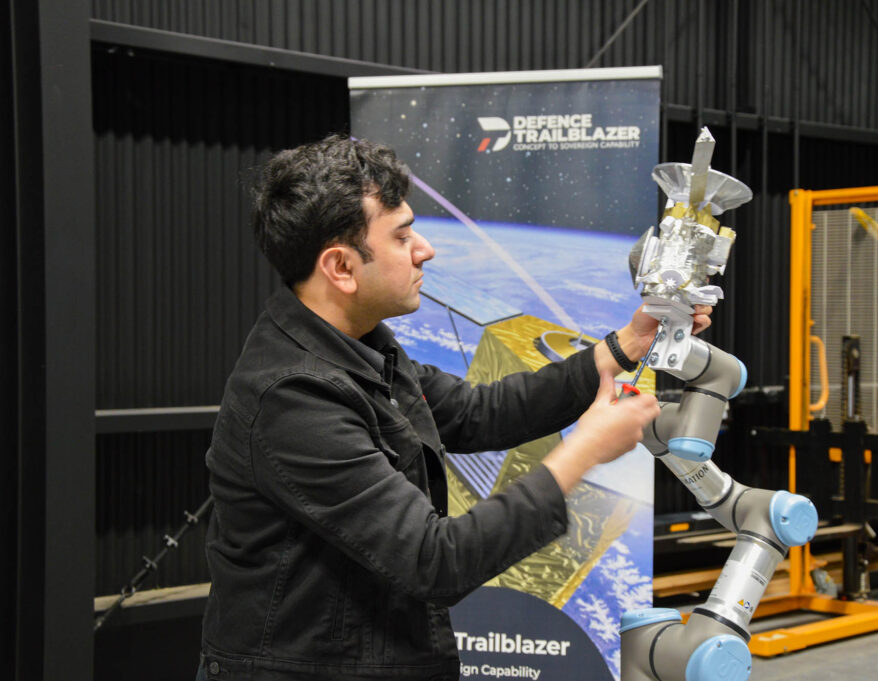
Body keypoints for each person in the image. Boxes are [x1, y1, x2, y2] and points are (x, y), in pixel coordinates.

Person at [198, 134, 711, 681]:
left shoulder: (363, 347)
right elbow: (433, 560)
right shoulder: (294, 396)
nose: (425, 249)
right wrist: (583, 452)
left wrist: (624, 346)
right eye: (402, 236)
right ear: (341, 267)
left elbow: (478, 411)